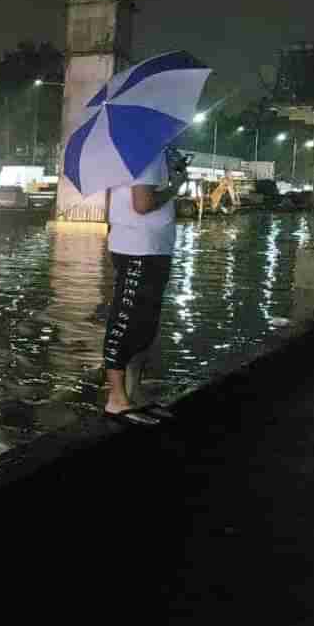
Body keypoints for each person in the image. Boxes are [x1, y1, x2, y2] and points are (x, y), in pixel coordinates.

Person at [102, 147, 190, 426]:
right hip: (138, 249)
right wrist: (175, 187)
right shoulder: (144, 152)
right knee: (125, 321)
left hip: (151, 248)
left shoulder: (150, 152)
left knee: (144, 325)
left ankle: (133, 394)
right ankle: (116, 398)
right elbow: (142, 204)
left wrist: (172, 173)